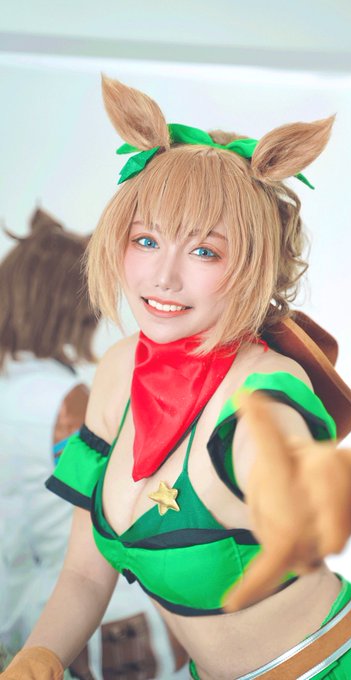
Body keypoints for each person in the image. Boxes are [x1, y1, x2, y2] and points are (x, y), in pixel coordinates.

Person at [1, 77, 351, 680]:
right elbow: (83, 571)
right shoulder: (117, 372)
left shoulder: (266, 392)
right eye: (146, 240)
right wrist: (41, 655)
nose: (163, 276)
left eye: (205, 251)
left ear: (255, 264)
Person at [0, 208, 187, 679]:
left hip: (25, 619)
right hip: (106, 624)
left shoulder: (13, 389)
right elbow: (127, 510)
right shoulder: (68, 402)